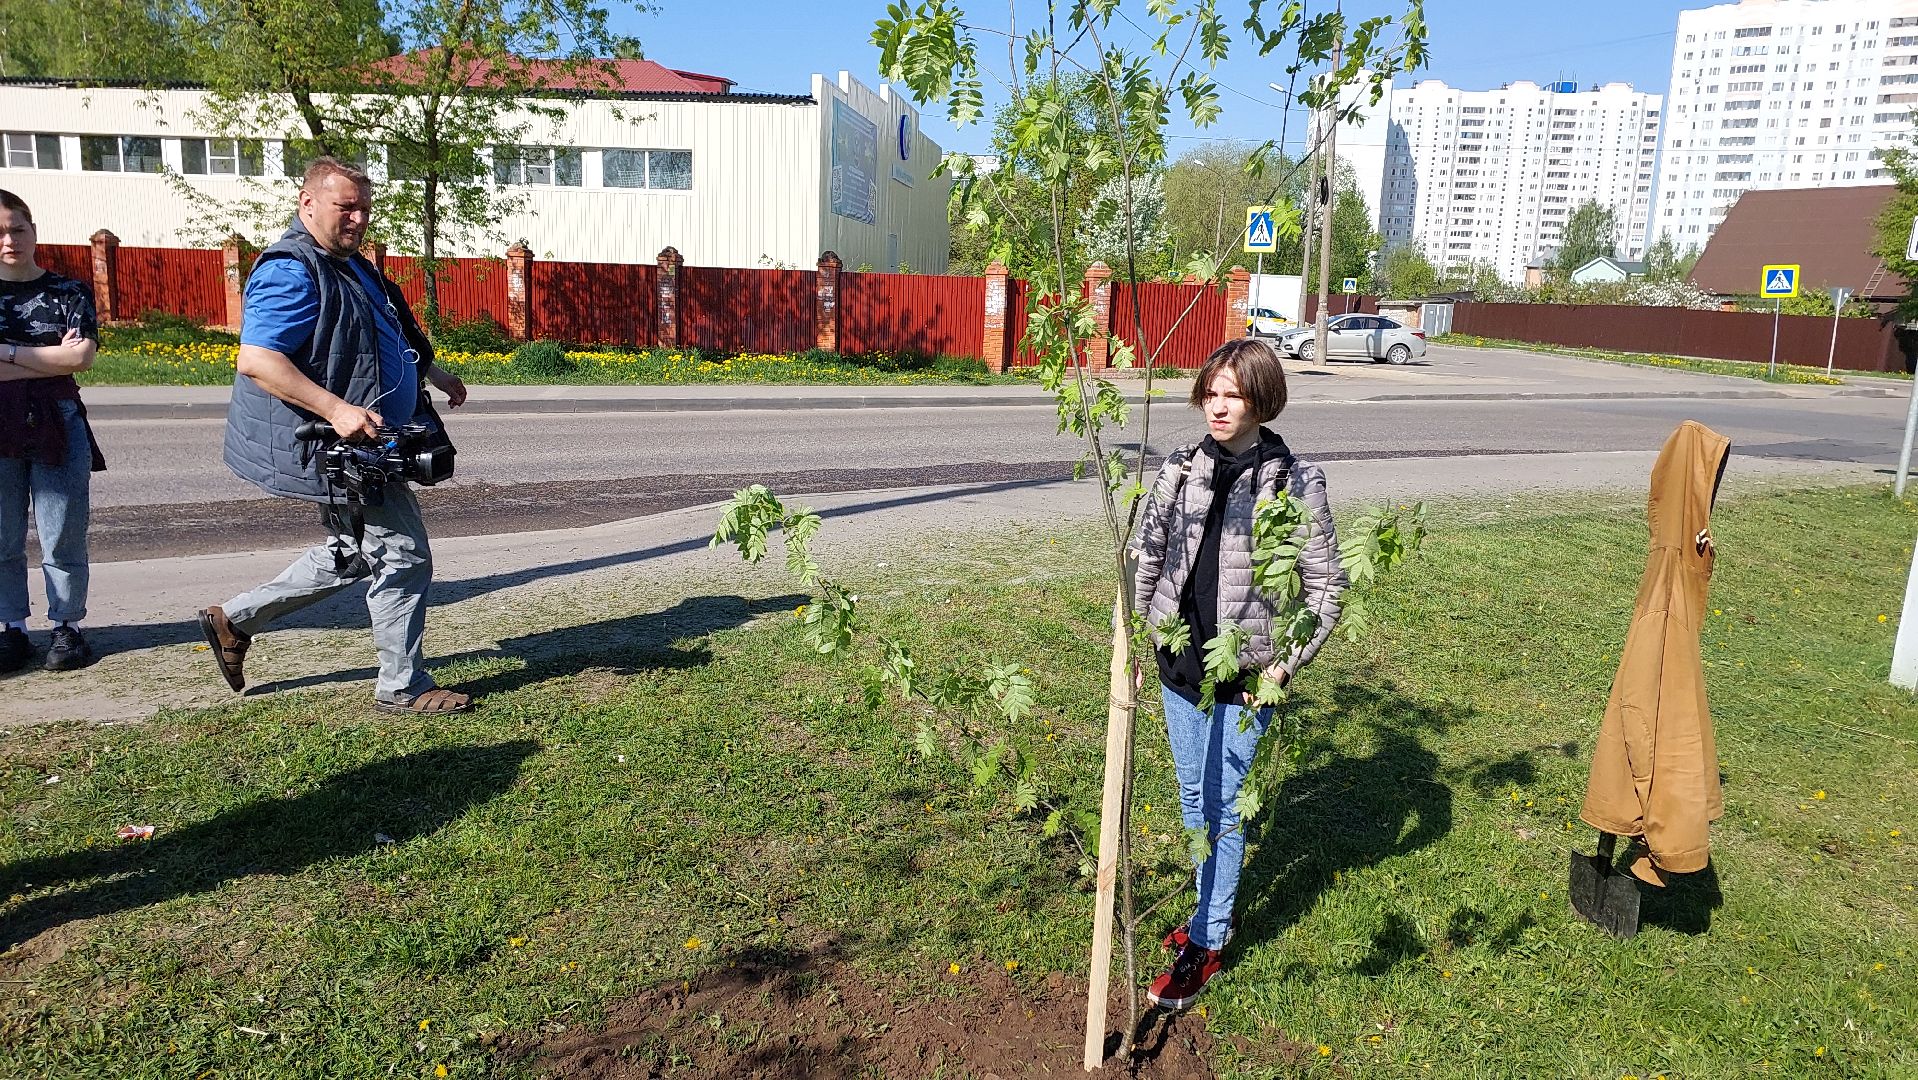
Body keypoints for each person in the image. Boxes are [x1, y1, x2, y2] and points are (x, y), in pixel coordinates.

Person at [198, 157, 473, 714]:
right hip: (344, 447)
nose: (358, 219)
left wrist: (435, 373)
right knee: (404, 556)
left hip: (372, 443)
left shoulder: (350, 266)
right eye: (346, 207)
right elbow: (258, 360)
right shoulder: (291, 269)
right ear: (307, 203)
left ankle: (235, 620)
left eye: (365, 209)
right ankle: (402, 687)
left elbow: (387, 332)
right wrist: (337, 409)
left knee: (351, 554)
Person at [1129, 337, 1347, 1010]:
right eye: (1211, 393)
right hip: (1179, 664)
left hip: (1248, 679)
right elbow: (1146, 556)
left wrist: (1284, 665)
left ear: (1262, 401)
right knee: (1194, 799)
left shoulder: (1294, 484)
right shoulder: (1181, 468)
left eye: (1234, 395)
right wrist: (1138, 642)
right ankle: (1205, 914)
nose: (1218, 407)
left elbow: (1327, 587)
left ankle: (1209, 941)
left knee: (1224, 810)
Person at [0, 188, 103, 673]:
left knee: (62, 531)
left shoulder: (69, 292)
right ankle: (11, 628)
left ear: (33, 232)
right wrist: (48, 359)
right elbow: (62, 359)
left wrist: (8, 352)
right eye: (0, 233)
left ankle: (67, 626)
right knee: (2, 534)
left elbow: (80, 358)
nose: (9, 240)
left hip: (58, 420)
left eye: (17, 229)